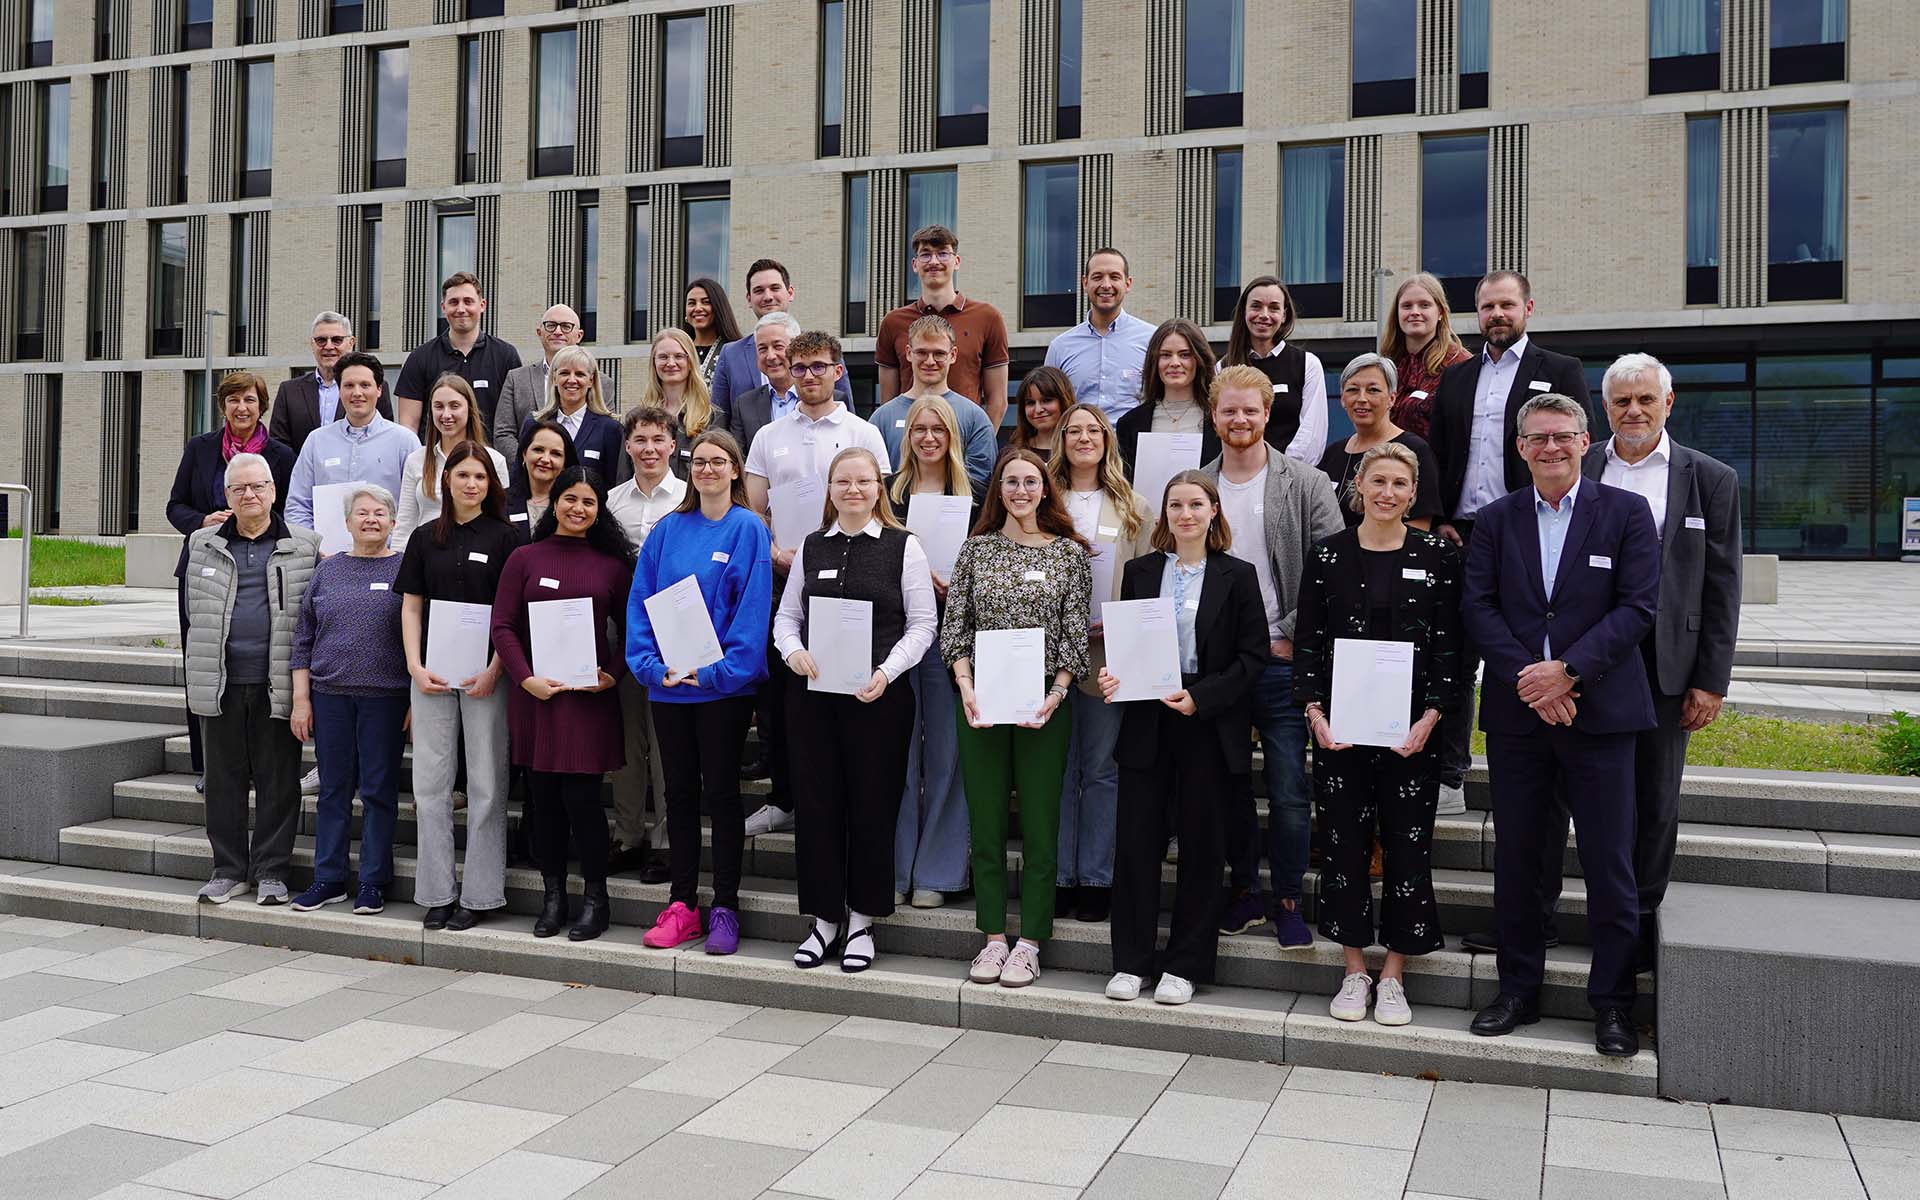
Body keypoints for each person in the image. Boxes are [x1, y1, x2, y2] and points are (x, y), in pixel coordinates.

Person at [1464, 354, 1743, 962]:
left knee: (1646, 801)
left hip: (1661, 663)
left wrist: (1710, 678)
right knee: (1547, 803)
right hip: (1562, 666)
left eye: (1646, 399)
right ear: (1603, 411)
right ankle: (1531, 921)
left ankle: (1634, 927)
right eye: (1621, 402)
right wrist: (1551, 675)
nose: (1634, 411)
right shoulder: (1569, 457)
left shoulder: (1709, 478)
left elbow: (1722, 584)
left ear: (1668, 403)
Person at [1461, 392, 1659, 1058]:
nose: (1550, 447)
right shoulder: (1494, 520)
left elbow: (1638, 608)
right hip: (1521, 719)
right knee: (1519, 860)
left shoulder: (1626, 513)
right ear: (1519, 448)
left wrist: (1568, 672)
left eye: (1562, 436)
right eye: (1537, 438)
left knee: (1609, 863)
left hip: (1601, 715)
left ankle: (1612, 1005)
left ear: (1585, 440)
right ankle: (1517, 990)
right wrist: (1532, 679)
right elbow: (1479, 609)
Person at [1293, 444, 1462, 1026]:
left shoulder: (1439, 556)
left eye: (1400, 484)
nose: (1388, 492)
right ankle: (1353, 971)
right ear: (1357, 487)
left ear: (1413, 493)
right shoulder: (1327, 555)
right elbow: (1310, 641)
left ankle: (1393, 973)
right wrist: (1315, 715)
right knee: (1342, 846)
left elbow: (1450, 648)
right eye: (1378, 481)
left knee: (1407, 848)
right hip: (1339, 732)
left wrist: (1430, 719)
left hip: (1412, 733)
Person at [1426, 270, 1588, 819]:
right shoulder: (1457, 376)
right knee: (1453, 654)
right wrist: (1442, 518)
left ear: (1527, 308)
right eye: (1488, 306)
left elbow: (1572, 450)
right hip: (1461, 533)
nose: (1497, 314)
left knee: (1521, 643)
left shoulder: (1559, 370)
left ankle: (1532, 761)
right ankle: (1451, 773)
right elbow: (1441, 453)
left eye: (1506, 305)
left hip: (1527, 529)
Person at [1101, 471, 1267, 1006]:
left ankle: (1186, 965)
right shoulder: (1141, 571)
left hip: (1207, 720)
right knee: (1136, 844)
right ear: (1164, 514)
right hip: (1148, 716)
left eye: (1196, 504)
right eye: (1176, 505)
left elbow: (1253, 657)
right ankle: (1131, 961)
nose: (1185, 513)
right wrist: (1115, 676)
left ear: (1214, 511)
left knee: (1201, 846)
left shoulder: (1237, 576)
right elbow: (1128, 646)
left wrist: (1203, 698)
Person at [776, 447, 938, 972]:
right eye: (842, 481)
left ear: (879, 487)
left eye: (863, 481)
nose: (853, 490)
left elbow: (922, 625)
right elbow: (787, 617)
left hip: (879, 700)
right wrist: (792, 651)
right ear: (829, 488)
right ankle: (824, 921)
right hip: (814, 700)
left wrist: (886, 673)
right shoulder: (811, 547)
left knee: (872, 807)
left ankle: (863, 922)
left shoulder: (903, 546)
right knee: (819, 807)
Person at [1202, 366, 1345, 944]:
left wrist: (1286, 632)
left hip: (1285, 658)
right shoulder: (1198, 484)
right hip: (1219, 666)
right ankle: (1245, 891)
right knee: (1230, 784)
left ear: (1267, 414)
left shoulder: (1306, 483)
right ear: (1214, 416)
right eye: (1229, 411)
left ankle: (1288, 896)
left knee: (1288, 785)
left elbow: (1332, 570)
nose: (1240, 420)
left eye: (1250, 411)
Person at [942, 449, 1092, 989]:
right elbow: (954, 626)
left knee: (1040, 824)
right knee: (985, 823)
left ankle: (1029, 940)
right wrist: (965, 686)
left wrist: (1057, 693)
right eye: (1011, 482)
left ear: (1045, 489)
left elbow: (1075, 638)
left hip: (1043, 708)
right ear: (998, 490)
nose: (1021, 490)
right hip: (981, 704)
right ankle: (992, 938)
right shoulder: (976, 551)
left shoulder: (1069, 556)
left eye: (1031, 481)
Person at [626, 430, 773, 955]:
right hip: (669, 689)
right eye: (700, 462)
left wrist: (717, 673)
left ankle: (726, 907)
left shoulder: (748, 529)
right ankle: (683, 904)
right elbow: (642, 600)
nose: (708, 469)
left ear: (736, 469)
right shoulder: (668, 530)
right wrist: (649, 666)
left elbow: (752, 612)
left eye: (719, 461)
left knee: (723, 796)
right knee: (679, 797)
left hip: (722, 692)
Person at [743, 332, 892, 839]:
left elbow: (880, 504)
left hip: (852, 579)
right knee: (785, 699)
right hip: (787, 576)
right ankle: (786, 798)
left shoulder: (863, 431)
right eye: (799, 366)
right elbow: (754, 510)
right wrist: (776, 554)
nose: (808, 375)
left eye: (818, 366)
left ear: (838, 371)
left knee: (847, 691)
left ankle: (842, 795)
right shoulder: (768, 435)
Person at [491, 465, 633, 942]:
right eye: (570, 499)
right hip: (538, 698)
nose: (578, 509)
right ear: (555, 504)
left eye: (588, 502)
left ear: (599, 511)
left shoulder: (612, 565)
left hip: (588, 701)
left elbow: (634, 633)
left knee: (584, 802)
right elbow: (503, 626)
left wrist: (611, 674)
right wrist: (524, 678)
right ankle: (554, 897)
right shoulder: (525, 558)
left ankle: (597, 899)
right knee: (544, 801)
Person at [183, 453, 320, 906]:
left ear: (273, 491)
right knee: (223, 780)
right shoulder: (202, 543)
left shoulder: (305, 545)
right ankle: (227, 869)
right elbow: (191, 612)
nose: (250, 495)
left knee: (278, 780)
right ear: (227, 496)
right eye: (239, 489)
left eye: (258, 486)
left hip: (276, 680)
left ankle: (272, 871)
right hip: (220, 681)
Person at [398, 442, 522, 931]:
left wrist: (495, 668)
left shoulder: (507, 539)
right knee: (429, 785)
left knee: (487, 784)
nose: (472, 484)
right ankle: (436, 892)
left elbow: (511, 614)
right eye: (463, 475)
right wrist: (414, 664)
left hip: (485, 677)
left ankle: (482, 892)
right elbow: (411, 605)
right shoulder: (425, 537)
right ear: (445, 480)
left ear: (491, 484)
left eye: (481, 476)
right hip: (431, 675)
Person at [1050, 401, 1154, 923]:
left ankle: (1094, 877)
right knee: (1057, 772)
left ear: (1107, 439)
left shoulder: (1133, 505)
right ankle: (1058, 877)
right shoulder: (1044, 501)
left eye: (1094, 430)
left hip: (1105, 656)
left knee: (1099, 771)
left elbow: (1147, 582)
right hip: (1045, 658)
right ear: (1061, 438)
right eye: (1074, 430)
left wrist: (1118, 624)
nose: (1084, 438)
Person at [168, 371, 296, 788]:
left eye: (251, 400)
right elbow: (175, 506)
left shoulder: (281, 455)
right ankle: (207, 764)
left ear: (263, 407)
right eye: (234, 400)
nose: (242, 408)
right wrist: (204, 520)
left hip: (263, 569)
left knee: (262, 671)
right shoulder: (201, 449)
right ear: (222, 406)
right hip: (205, 568)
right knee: (203, 665)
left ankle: (260, 765)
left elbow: (291, 511)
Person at [288, 484, 408, 915]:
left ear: (394, 522)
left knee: (378, 791)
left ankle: (374, 881)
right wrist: (302, 700)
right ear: (347, 522)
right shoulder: (328, 570)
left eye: (380, 513)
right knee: (333, 791)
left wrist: (415, 697)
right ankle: (329, 878)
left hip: (386, 698)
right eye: (362, 513)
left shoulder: (405, 569)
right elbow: (302, 637)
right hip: (329, 696)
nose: (371, 519)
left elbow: (420, 637)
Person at [886, 396, 978, 909]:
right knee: (900, 754)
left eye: (937, 429)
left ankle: (938, 873)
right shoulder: (887, 495)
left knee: (946, 754)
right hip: (896, 637)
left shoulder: (976, 495)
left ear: (951, 437)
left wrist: (954, 584)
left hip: (954, 637)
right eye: (918, 428)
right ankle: (897, 867)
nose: (927, 437)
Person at [603, 406, 690, 883]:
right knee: (627, 737)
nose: (650, 449)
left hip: (678, 628)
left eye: (659, 439)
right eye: (640, 440)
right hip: (627, 631)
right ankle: (628, 834)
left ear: (672, 445)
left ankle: (666, 840)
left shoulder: (688, 499)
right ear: (629, 447)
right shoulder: (613, 502)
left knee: (667, 741)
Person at [876, 225, 1012, 427]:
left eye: (942, 254)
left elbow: (998, 402)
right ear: (914, 264)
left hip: (965, 441)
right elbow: (888, 402)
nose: (934, 261)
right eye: (925, 255)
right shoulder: (893, 322)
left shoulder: (987, 317)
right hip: (911, 444)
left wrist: (979, 447)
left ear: (956, 262)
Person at [286, 352, 420, 535]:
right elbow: (297, 506)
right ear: (339, 390)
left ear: (379, 389)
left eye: (365, 385)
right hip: (326, 557)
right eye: (349, 385)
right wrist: (314, 548)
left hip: (389, 556)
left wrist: (392, 549)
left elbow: (416, 507)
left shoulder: (405, 441)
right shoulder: (317, 441)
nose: (357, 393)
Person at [867, 314, 998, 492]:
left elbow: (980, 485)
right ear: (908, 353)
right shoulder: (882, 418)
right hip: (895, 516)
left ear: (953, 355)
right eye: (921, 352)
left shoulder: (975, 418)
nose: (930, 361)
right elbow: (870, 481)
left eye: (939, 353)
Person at [1315, 354, 1442, 532]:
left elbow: (1419, 528)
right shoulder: (1332, 454)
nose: (1361, 398)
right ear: (1342, 398)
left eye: (1373, 390)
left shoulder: (1415, 450)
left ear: (1392, 398)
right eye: (1352, 390)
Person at [710, 259, 852, 416]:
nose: (768, 296)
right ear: (749, 299)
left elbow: (846, 412)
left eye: (775, 288)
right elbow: (719, 421)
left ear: (790, 293)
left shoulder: (826, 349)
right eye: (759, 291)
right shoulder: (731, 354)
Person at [394, 271, 524, 436]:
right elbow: (408, 428)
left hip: (489, 459)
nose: (461, 309)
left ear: (482, 305)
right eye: (454, 302)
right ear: (443, 307)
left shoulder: (506, 356)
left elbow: (516, 422)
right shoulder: (419, 358)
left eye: (468, 301)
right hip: (437, 459)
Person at [1217, 276, 1329, 463]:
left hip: (1291, 476)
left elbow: (1312, 433)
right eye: (1256, 306)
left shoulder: (1307, 364)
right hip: (1238, 472)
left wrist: (1281, 471)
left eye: (1274, 308)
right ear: (1244, 311)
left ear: (1284, 315)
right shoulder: (1222, 368)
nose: (1264, 314)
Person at [393, 374, 511, 547]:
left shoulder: (495, 460)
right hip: (425, 556)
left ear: (469, 409)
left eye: (454, 406)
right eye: (439, 406)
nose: (446, 414)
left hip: (477, 555)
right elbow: (405, 525)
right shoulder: (416, 460)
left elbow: (501, 520)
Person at [1043, 248, 1156, 422]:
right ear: (1085, 283)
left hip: (1133, 447)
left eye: (1114, 277)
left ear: (1128, 284)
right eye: (1097, 277)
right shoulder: (1060, 347)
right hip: (1079, 445)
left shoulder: (1152, 340)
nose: (1106, 284)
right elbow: (1049, 407)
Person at [269, 312, 393, 454]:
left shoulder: (370, 389)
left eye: (337, 340)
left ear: (351, 343)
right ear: (312, 344)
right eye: (321, 340)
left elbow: (383, 437)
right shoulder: (289, 391)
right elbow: (279, 445)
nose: (328, 346)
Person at [1115, 319, 1221, 473]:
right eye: (1165, 355)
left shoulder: (1219, 419)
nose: (1175, 363)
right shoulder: (1130, 423)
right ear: (1154, 361)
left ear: (1199, 359)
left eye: (1185, 355)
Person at [1380, 273, 1470, 441]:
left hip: (1435, 464)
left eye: (1424, 305)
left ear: (1441, 312)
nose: (1415, 312)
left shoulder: (1460, 364)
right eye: (1407, 306)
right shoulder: (1387, 364)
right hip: (1386, 462)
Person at [492, 304, 585, 463]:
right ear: (539, 332)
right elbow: (503, 433)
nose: (557, 331)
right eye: (550, 325)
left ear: (579, 335)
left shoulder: (602, 383)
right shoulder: (516, 379)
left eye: (566, 326)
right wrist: (527, 465)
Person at [519, 345, 623, 484]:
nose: (572, 380)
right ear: (554, 378)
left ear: (591, 381)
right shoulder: (534, 424)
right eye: (565, 373)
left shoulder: (610, 429)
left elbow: (614, 486)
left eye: (580, 374)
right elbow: (519, 478)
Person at [642, 326, 722, 480]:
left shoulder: (712, 419)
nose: (671, 363)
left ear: (690, 361)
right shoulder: (639, 419)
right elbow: (624, 477)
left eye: (679, 356)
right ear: (654, 363)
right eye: (663, 357)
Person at [724, 312, 802, 462]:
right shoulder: (745, 405)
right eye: (762, 349)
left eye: (778, 346)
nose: (771, 356)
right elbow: (739, 460)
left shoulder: (823, 399)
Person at [507, 419, 579, 533]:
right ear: (524, 454)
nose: (545, 459)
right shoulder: (499, 501)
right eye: (538, 450)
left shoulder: (574, 506)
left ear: (565, 462)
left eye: (556, 454)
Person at [683, 276, 743, 387]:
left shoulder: (736, 351)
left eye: (706, 302)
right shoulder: (679, 348)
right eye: (691, 303)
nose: (698, 308)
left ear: (718, 307)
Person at [1010, 366, 1072, 458]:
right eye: (1030, 403)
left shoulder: (1079, 450)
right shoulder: (1013, 453)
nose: (1038, 410)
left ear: (1064, 401)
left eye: (1046, 400)